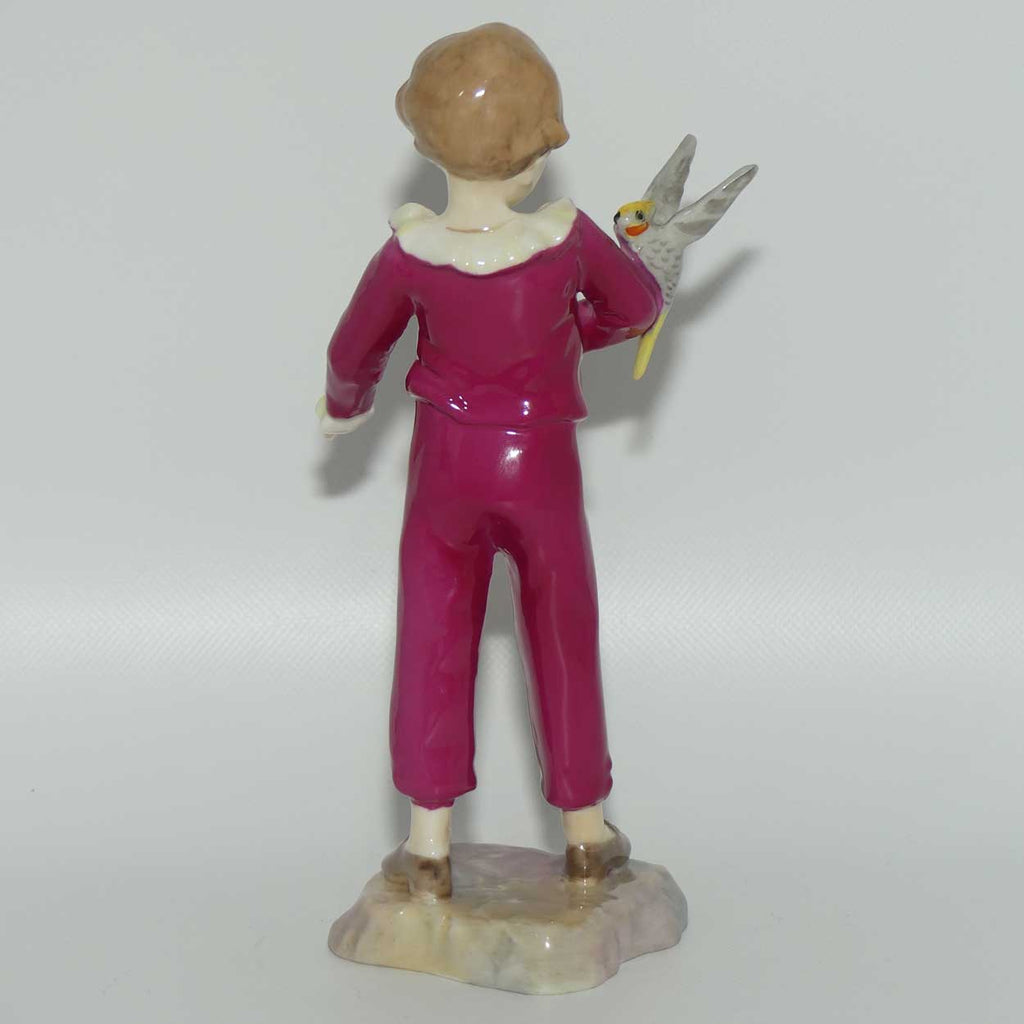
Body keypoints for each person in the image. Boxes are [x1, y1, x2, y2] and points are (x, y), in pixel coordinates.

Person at [318, 23, 662, 898]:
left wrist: (344, 408)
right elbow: (636, 305)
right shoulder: (569, 241)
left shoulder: (409, 254)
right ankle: (585, 828)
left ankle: (427, 844)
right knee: (562, 629)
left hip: (447, 462)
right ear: (536, 153)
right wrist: (570, 333)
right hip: (539, 464)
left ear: (427, 144)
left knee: (433, 634)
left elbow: (353, 351)